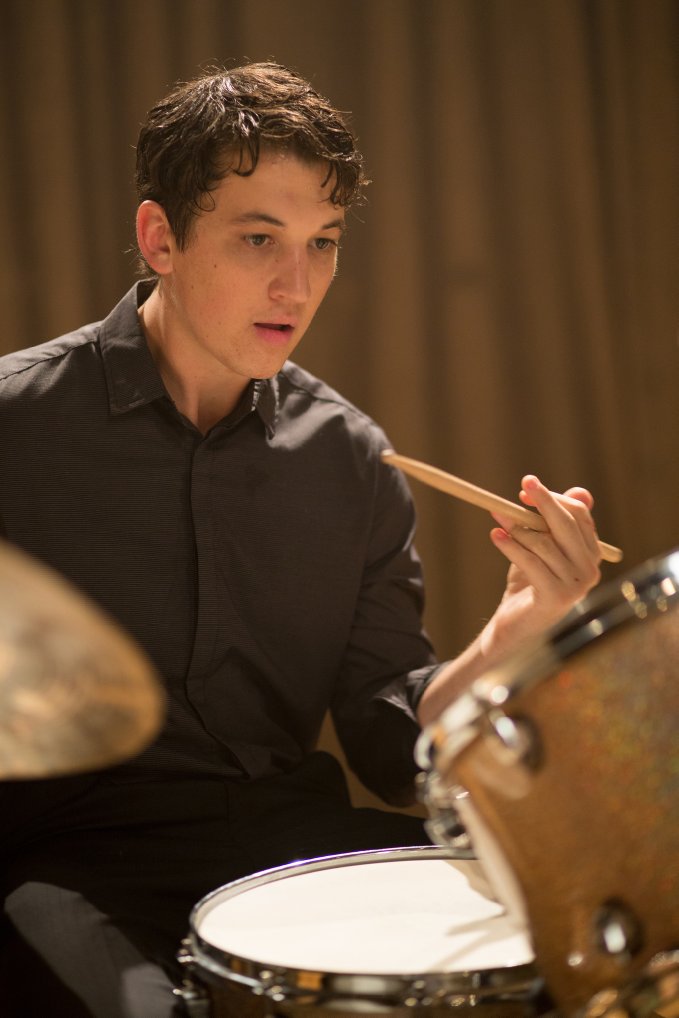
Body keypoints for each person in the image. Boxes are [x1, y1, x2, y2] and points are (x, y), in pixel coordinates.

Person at [0, 62, 602, 1017]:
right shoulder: (17, 427)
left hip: (287, 847)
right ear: (161, 238)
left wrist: (519, 625)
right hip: (71, 859)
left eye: (322, 243)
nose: (298, 283)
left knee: (560, 945)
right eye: (258, 239)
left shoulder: (350, 456)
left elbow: (395, 749)